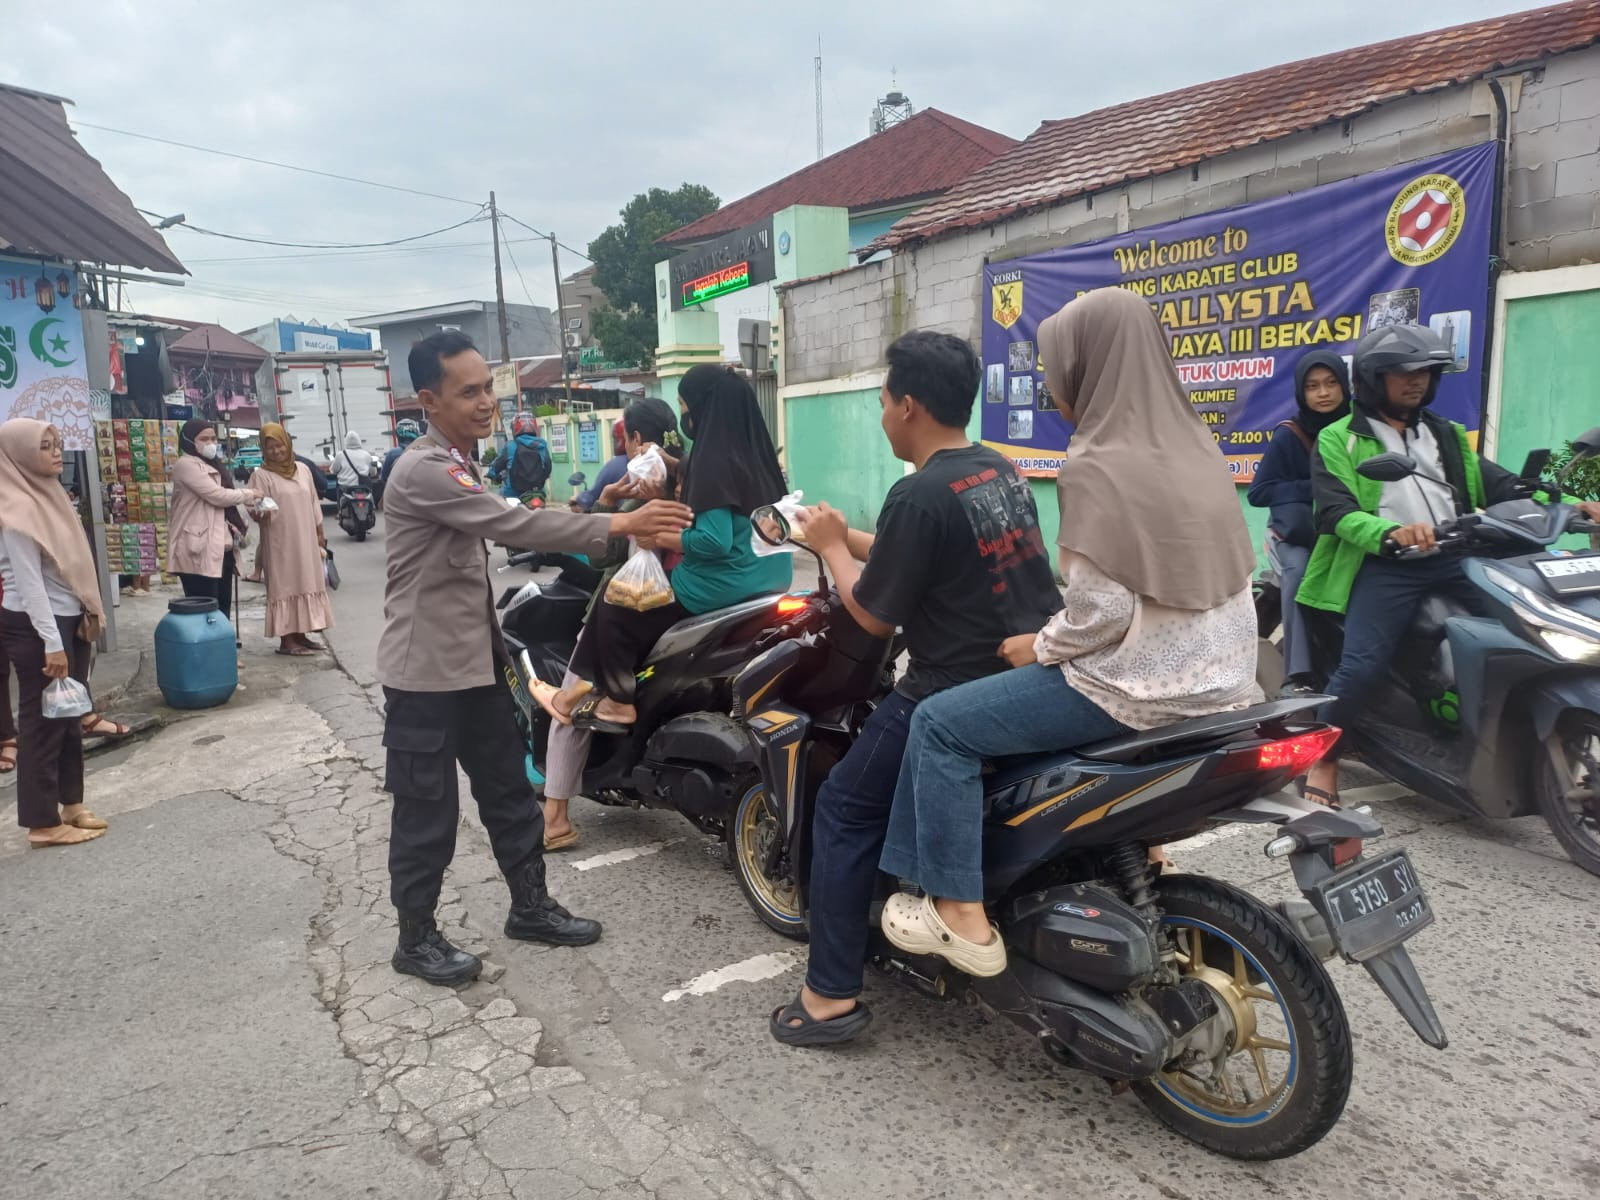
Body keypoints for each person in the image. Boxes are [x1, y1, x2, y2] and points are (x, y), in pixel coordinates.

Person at [873, 288, 1262, 982]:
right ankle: (1142, 847)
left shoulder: (1098, 461)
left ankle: (959, 912)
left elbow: (1101, 612)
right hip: (1228, 679)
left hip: (1139, 688)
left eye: (1057, 367)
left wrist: (1041, 645)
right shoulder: (1197, 446)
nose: (1053, 386)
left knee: (939, 725)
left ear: (1091, 365)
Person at [768, 330, 1061, 1046]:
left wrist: (831, 549)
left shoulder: (918, 491)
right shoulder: (995, 469)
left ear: (908, 405)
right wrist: (834, 536)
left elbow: (872, 616)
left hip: (948, 687)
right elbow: (921, 553)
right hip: (1026, 674)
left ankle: (828, 995)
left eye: (882, 402)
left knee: (843, 808)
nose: (881, 416)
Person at [377, 331, 691, 985]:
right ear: (428, 401)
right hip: (424, 675)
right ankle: (416, 939)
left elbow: (515, 515)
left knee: (508, 792)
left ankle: (531, 907)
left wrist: (603, 509)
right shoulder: (424, 468)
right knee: (426, 811)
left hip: (474, 665)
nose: (485, 402)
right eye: (468, 392)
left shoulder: (461, 462)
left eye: (487, 387)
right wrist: (620, 524)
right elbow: (512, 525)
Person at [1298, 323, 1600, 805]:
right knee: (1362, 666)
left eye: (1426, 372)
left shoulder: (1446, 433)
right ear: (1374, 378)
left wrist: (1566, 506)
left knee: (1530, 623)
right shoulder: (1340, 438)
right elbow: (1336, 511)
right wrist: (1389, 533)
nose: (1417, 380)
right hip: (1388, 564)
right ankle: (1323, 760)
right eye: (1404, 372)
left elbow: (1499, 484)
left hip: (1457, 554)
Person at [539, 365, 789, 730]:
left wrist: (656, 538)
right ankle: (572, 695)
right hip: (769, 581)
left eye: (686, 408)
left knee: (616, 600)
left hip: (721, 585)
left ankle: (618, 701)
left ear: (703, 408)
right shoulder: (757, 454)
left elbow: (713, 541)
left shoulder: (711, 460)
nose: (686, 419)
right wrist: (674, 465)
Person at [541, 397, 682, 851]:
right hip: (681, 608)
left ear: (635, 437)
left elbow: (602, 556)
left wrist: (606, 502)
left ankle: (555, 819)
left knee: (568, 707)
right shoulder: (689, 474)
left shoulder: (631, 475)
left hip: (627, 608)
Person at [0, 419, 111, 847]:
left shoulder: (49, 495)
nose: (56, 452)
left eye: (57, 444)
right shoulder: (16, 510)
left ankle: (72, 803)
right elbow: (29, 585)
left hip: (65, 617)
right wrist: (52, 643)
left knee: (69, 715)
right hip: (37, 626)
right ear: (21, 455)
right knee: (43, 722)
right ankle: (42, 823)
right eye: (45, 446)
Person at [1247, 350, 1353, 694]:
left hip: (1346, 530)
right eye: (1312, 386)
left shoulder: (1358, 430)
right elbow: (1259, 492)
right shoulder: (1290, 435)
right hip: (1296, 536)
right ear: (1301, 392)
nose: (1323, 393)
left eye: (1331, 383)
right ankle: (1298, 675)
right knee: (1300, 576)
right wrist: (1317, 486)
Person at [248, 422, 333, 657]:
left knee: (305, 582)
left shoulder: (302, 470)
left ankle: (301, 634)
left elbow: (313, 501)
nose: (276, 451)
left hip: (306, 538)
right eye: (270, 448)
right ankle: (287, 640)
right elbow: (254, 506)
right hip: (280, 541)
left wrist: (320, 532)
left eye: (279, 446)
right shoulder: (262, 476)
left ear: (287, 443)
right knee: (285, 585)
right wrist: (259, 511)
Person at [169, 418, 258, 623]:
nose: (210, 443)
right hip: (197, 547)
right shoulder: (186, 465)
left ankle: (223, 644)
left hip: (221, 546)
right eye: (203, 439)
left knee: (222, 607)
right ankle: (208, 644)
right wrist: (250, 494)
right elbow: (217, 495)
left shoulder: (214, 464)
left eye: (213, 438)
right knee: (204, 610)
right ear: (189, 441)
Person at [487, 413, 552, 500]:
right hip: (537, 492)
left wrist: (491, 474)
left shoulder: (510, 446)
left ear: (515, 428)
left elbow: (497, 466)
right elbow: (548, 468)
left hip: (512, 493)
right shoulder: (542, 446)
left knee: (497, 501)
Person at [569, 423, 629, 512]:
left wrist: (578, 499)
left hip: (622, 518)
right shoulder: (649, 462)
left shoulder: (615, 465)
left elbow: (592, 497)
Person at [378, 418, 423, 500]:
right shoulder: (425, 451)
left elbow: (384, 477)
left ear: (398, 435)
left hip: (398, 499)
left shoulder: (392, 454)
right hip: (422, 497)